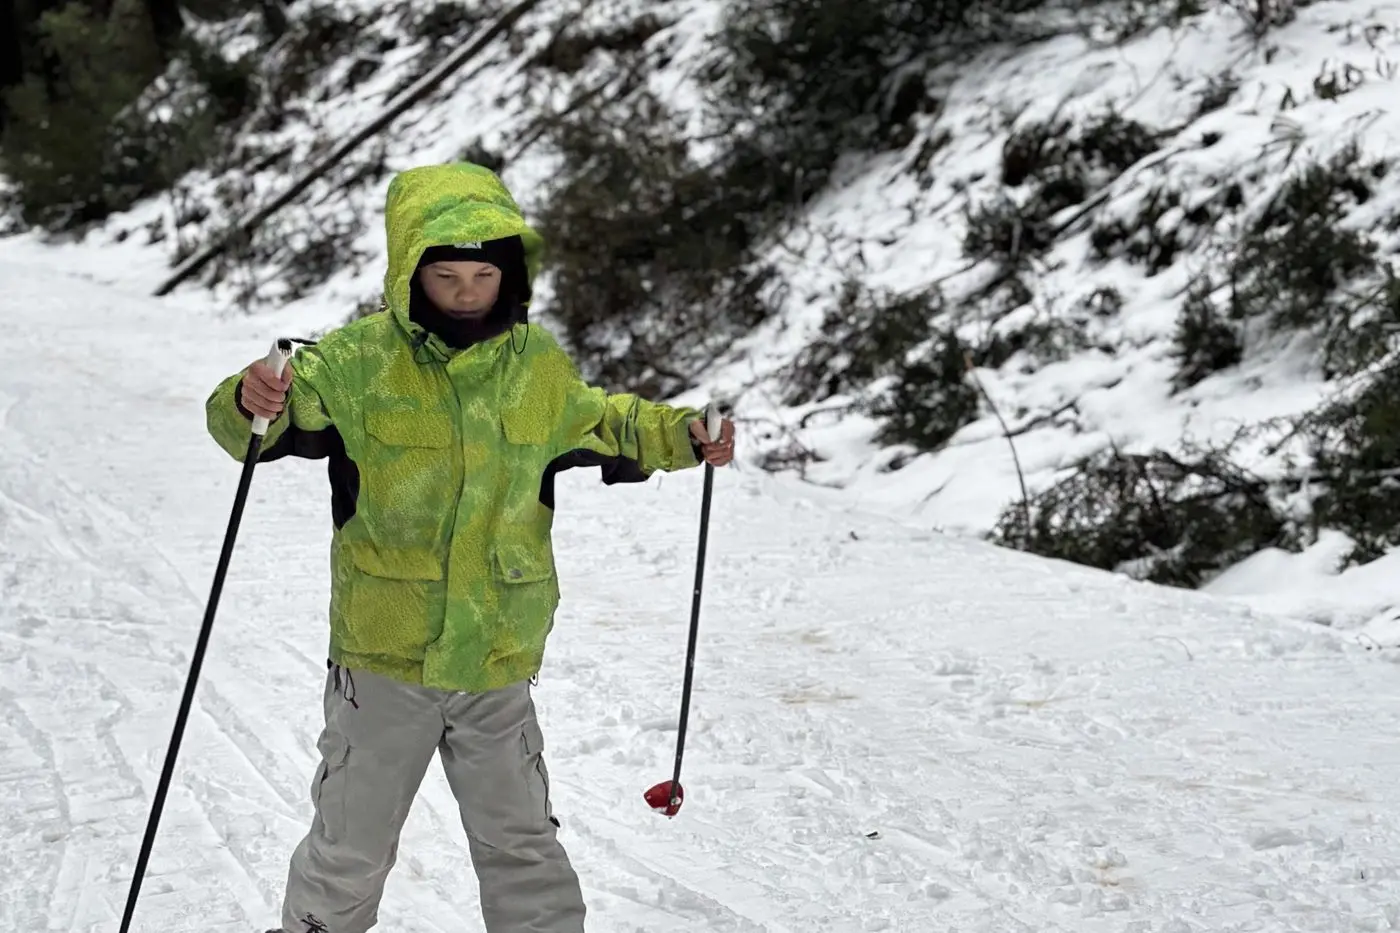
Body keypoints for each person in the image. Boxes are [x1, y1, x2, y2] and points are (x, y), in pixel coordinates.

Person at [204, 161, 736, 933]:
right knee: (350, 843)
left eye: (481, 274)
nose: (462, 292)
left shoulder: (538, 368)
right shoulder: (354, 363)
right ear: (409, 271)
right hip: (385, 659)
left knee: (521, 842)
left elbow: (612, 421)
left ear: (509, 274)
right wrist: (250, 397)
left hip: (496, 657)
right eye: (445, 273)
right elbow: (255, 423)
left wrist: (686, 433)